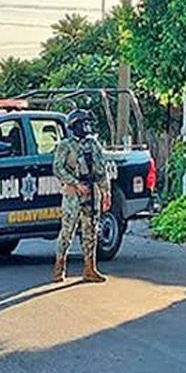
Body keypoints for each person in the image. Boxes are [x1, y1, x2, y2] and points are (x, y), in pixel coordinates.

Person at [52, 109, 112, 283]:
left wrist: (105, 191)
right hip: (73, 193)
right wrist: (75, 183)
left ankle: (90, 268)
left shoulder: (93, 144)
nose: (85, 126)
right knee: (67, 230)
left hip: (92, 191)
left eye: (87, 123)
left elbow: (101, 168)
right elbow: (58, 168)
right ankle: (59, 267)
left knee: (91, 230)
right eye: (82, 123)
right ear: (73, 126)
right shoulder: (65, 145)